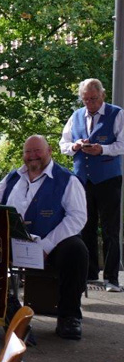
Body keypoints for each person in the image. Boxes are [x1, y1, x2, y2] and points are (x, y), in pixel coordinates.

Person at [0, 135, 88, 340]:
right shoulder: (12, 178)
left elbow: (77, 217)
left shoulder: (67, 179)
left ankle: (69, 317)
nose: (32, 156)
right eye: (28, 151)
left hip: (51, 245)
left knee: (76, 250)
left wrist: (46, 245)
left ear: (49, 151)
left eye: (37, 151)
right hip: (14, 242)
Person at [59, 78, 124, 292]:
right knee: (84, 225)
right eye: (85, 99)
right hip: (82, 180)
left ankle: (112, 278)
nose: (90, 103)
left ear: (102, 96)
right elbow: (63, 145)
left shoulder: (116, 114)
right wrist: (75, 146)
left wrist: (102, 150)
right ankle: (89, 273)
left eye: (93, 99)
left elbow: (121, 145)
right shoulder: (76, 116)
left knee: (110, 229)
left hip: (108, 179)